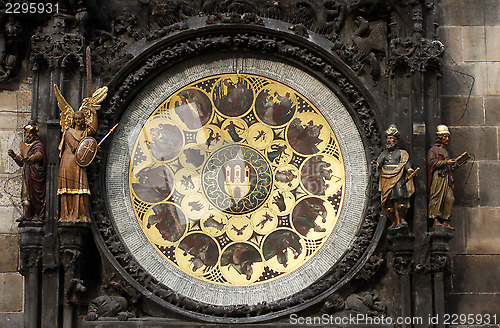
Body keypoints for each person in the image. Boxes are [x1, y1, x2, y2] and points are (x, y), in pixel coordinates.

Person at [55, 84, 107, 223]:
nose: (78, 121)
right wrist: (89, 148)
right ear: (73, 120)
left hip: (79, 163)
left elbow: (93, 130)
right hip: (69, 161)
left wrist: (93, 113)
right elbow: (75, 147)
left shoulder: (84, 132)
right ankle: (67, 215)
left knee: (81, 187)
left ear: (84, 120)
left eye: (80, 119)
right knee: (69, 187)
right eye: (76, 119)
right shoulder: (68, 132)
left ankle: (81, 215)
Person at [374, 125, 415, 229]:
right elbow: (378, 162)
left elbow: (405, 163)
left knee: (400, 198)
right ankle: (393, 221)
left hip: (398, 177)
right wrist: (375, 165)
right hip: (386, 177)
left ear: (396, 141)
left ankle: (401, 219)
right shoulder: (384, 154)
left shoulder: (401, 153)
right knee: (387, 201)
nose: (389, 140)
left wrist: (409, 170)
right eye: (388, 138)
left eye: (391, 138)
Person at [8, 122, 46, 222]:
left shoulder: (37, 145)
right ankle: (26, 214)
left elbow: (39, 155)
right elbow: (21, 162)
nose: (27, 135)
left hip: (35, 174)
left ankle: (38, 214)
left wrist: (32, 158)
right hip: (26, 173)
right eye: (26, 133)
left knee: (35, 194)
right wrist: (14, 156)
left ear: (34, 134)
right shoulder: (24, 146)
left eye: (30, 133)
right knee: (25, 194)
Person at [427, 125, 456, 229]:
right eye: (445, 136)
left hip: (446, 177)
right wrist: (445, 162)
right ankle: (435, 218)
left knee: (450, 198)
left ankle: (445, 219)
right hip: (438, 177)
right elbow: (431, 163)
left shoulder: (445, 151)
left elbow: (446, 164)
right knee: (436, 197)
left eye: (447, 137)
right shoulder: (433, 150)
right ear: (440, 137)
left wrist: (453, 165)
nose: (447, 139)